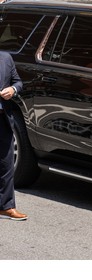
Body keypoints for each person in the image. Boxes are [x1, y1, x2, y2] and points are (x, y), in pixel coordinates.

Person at [0, 51, 27, 221]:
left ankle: (6, 206)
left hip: (3, 117)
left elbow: (18, 82)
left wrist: (13, 89)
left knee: (6, 162)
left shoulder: (6, 58)